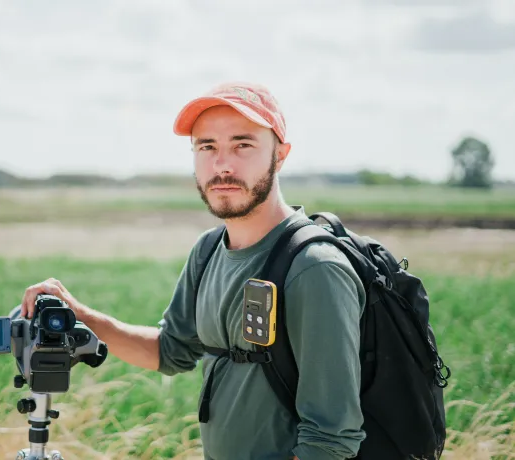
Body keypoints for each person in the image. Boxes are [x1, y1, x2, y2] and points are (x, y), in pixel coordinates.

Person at [20, 82, 367, 460]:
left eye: (242, 145)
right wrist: (80, 315)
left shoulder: (313, 268)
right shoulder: (208, 250)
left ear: (280, 156)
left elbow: (331, 439)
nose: (223, 164)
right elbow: (170, 352)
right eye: (207, 147)